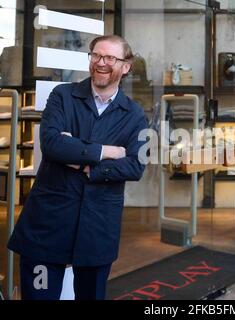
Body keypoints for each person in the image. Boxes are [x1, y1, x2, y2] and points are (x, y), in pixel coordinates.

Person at [8, 35, 148, 300]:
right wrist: (105, 152)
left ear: (126, 67)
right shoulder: (63, 96)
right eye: (96, 55)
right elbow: (51, 144)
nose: (101, 63)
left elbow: (135, 166)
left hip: (97, 228)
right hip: (47, 226)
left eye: (110, 58)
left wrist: (88, 167)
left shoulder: (135, 114)